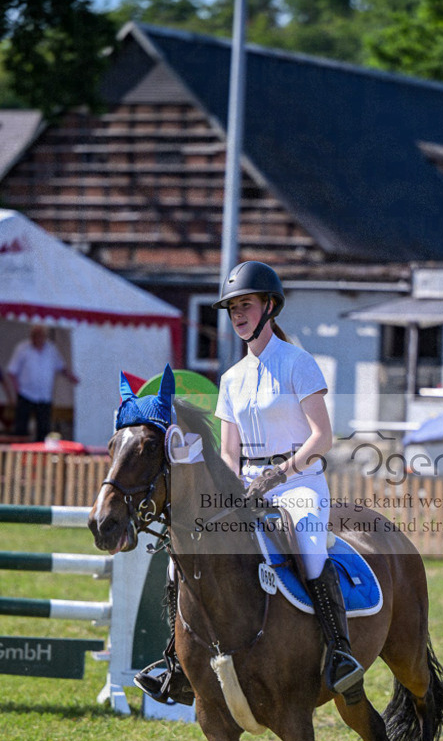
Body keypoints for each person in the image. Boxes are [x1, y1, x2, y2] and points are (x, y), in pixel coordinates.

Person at [135, 261, 365, 707]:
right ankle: (177, 664)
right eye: (232, 307)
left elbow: (323, 437)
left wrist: (280, 474)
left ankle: (339, 652)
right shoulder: (230, 379)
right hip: (246, 485)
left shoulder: (299, 364)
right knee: (182, 551)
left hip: (300, 482)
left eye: (246, 305)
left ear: (270, 306)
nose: (238, 314)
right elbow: (228, 453)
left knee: (307, 539)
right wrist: (227, 489)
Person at [7, 324, 79, 441]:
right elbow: (12, 371)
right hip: (26, 394)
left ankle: (41, 455)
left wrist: (71, 377)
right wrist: (17, 390)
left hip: (44, 395)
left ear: (44, 336)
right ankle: (19, 454)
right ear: (32, 336)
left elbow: (61, 367)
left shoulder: (51, 349)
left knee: (44, 428)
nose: (38, 338)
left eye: (40, 335)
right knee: (21, 428)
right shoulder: (23, 348)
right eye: (35, 335)